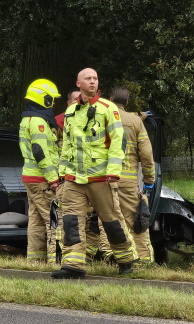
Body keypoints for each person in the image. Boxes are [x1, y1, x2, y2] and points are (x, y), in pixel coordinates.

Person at [51, 68, 137, 279]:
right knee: (71, 221)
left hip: (101, 179)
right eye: (88, 78)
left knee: (111, 221)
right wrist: (62, 174)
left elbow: (118, 141)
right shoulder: (70, 113)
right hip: (73, 179)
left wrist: (114, 171)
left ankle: (126, 260)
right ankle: (73, 265)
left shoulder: (108, 108)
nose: (92, 81)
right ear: (78, 83)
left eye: (95, 78)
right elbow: (67, 147)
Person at [85, 86, 156, 265]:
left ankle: (113, 258)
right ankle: (143, 261)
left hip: (101, 180)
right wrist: (149, 180)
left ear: (109, 99)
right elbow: (146, 154)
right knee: (135, 223)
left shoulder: (98, 118)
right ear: (127, 102)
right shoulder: (134, 121)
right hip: (127, 181)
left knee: (108, 220)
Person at [19, 79, 61, 263]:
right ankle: (56, 261)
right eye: (51, 99)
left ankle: (35, 261)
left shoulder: (27, 119)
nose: (53, 103)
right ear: (43, 99)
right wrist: (53, 179)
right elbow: (40, 152)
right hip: (42, 179)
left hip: (31, 178)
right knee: (55, 221)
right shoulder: (38, 122)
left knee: (36, 221)